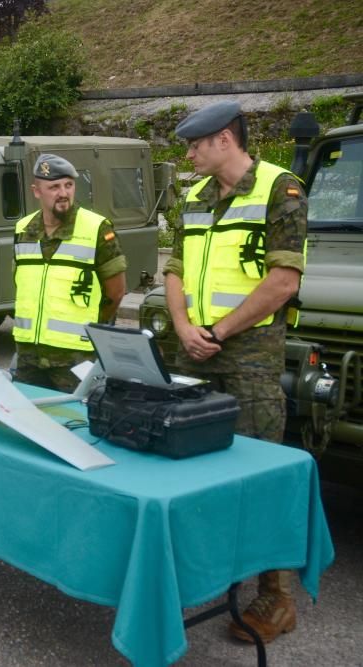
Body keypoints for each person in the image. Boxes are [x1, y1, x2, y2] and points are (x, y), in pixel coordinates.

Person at [165, 101, 307, 644]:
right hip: (194, 350)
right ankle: (216, 573)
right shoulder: (196, 196)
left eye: (196, 145)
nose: (190, 154)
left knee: (258, 471)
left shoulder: (280, 190)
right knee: (198, 467)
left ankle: (276, 595)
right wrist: (182, 327)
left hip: (246, 359)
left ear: (225, 139)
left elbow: (282, 282)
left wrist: (218, 333)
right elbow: (174, 267)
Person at [12, 153, 127, 391]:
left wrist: (91, 326)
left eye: (69, 185)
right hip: (28, 354)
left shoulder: (97, 228)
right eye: (54, 187)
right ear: (36, 191)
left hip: (75, 356)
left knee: (75, 420)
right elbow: (20, 282)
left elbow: (115, 292)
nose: (63, 193)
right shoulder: (22, 229)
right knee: (30, 417)